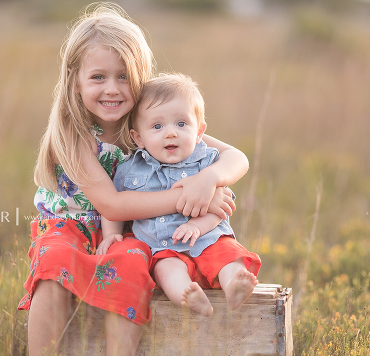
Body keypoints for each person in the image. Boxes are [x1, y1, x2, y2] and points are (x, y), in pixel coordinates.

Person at [18, 4, 249, 356]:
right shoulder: (72, 135)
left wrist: (209, 179)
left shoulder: (150, 122)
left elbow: (236, 158)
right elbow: (112, 206)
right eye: (98, 77)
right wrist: (187, 194)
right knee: (55, 262)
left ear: (140, 77)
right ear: (74, 80)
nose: (112, 89)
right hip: (70, 226)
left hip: (124, 234)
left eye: (123, 76)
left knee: (131, 264)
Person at [99, 73, 260, 317]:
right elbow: (114, 205)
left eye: (181, 124)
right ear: (138, 137)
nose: (171, 133)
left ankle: (234, 284)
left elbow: (221, 209)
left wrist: (197, 226)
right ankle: (188, 295)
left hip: (208, 238)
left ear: (199, 131)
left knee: (228, 254)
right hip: (163, 247)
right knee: (166, 270)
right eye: (157, 126)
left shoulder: (207, 162)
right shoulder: (130, 169)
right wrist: (111, 235)